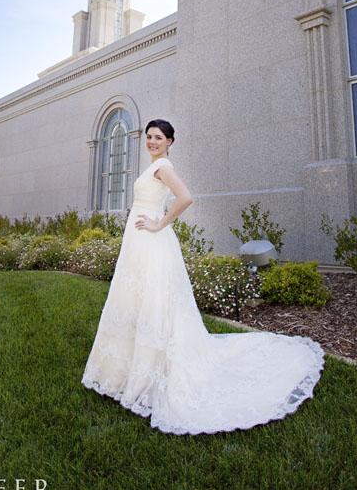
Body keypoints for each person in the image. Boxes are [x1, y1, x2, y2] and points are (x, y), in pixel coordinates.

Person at [81, 119, 324, 435]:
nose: (152, 141)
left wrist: (159, 224)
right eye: (149, 137)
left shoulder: (163, 167)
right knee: (137, 299)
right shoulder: (153, 166)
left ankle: (152, 370)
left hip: (151, 240)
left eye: (159, 138)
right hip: (139, 244)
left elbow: (185, 198)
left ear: (170, 141)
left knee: (154, 300)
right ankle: (125, 370)